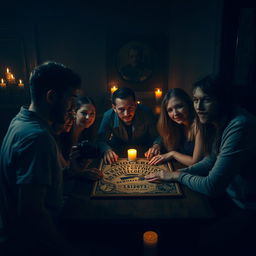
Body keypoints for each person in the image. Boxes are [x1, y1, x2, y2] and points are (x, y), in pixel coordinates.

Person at [145, 75, 256, 254]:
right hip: (229, 196)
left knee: (190, 242)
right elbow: (210, 160)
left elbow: (212, 186)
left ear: (223, 101)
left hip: (246, 205)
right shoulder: (218, 122)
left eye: (207, 100)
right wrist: (172, 174)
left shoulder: (239, 125)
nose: (199, 107)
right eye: (196, 100)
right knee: (174, 226)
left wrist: (177, 175)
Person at [0, 61, 84, 255]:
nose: (73, 108)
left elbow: (36, 184)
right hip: (32, 245)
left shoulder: (21, 119)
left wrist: (69, 172)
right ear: (52, 97)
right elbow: (33, 214)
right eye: (71, 100)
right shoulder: (37, 138)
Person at [97, 87, 161, 164]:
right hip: (118, 153)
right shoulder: (108, 116)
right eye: (121, 109)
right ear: (114, 108)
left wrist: (156, 145)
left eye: (130, 108)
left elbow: (158, 136)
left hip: (145, 153)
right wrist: (106, 150)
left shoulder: (146, 113)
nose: (126, 114)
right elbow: (101, 140)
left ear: (135, 104)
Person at [148, 88, 204, 166]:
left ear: (188, 104)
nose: (175, 113)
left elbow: (195, 162)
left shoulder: (198, 125)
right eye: (170, 110)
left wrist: (172, 154)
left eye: (179, 106)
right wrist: (156, 146)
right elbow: (163, 138)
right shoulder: (176, 125)